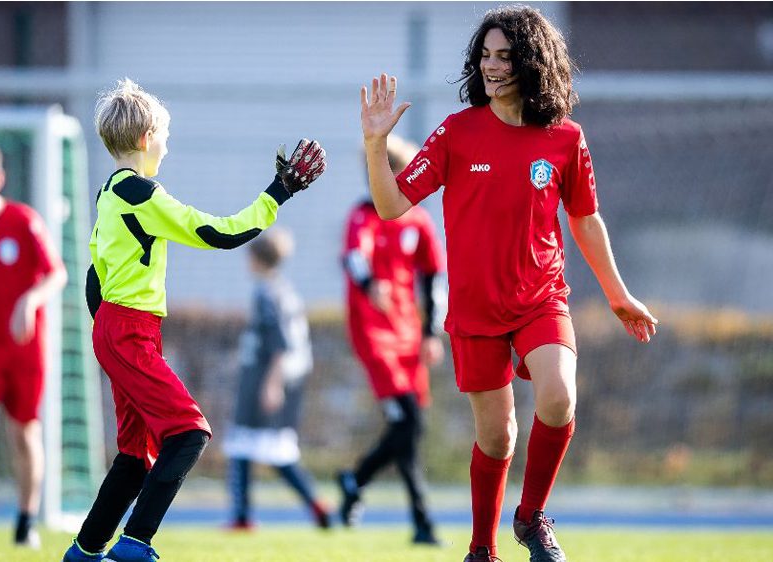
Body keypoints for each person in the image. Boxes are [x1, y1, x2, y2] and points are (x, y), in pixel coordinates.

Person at [360, 7, 658, 562]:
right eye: (486, 56)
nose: (492, 67)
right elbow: (391, 205)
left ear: (533, 61)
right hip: (475, 312)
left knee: (560, 396)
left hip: (542, 300)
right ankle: (481, 549)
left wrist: (619, 295)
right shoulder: (457, 131)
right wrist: (377, 144)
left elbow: (585, 219)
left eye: (506, 56)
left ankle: (532, 517)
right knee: (497, 437)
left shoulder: (565, 139)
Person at [62, 78, 326, 562]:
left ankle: (85, 551)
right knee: (189, 432)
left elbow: (93, 282)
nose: (166, 143)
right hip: (129, 331)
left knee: (135, 455)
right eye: (163, 135)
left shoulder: (108, 194)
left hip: (117, 328)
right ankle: (136, 542)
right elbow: (219, 233)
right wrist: (278, 192)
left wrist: (111, 336)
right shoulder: (143, 193)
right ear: (146, 140)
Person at [336, 135, 446, 546]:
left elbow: (434, 277)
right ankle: (421, 520)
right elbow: (354, 256)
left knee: (409, 426)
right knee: (409, 422)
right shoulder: (363, 216)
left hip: (408, 334)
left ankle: (357, 481)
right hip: (373, 332)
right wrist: (369, 285)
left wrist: (432, 331)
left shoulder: (417, 220)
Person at [0, 138, 68, 551]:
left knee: (24, 436)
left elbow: (56, 273)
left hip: (23, 351)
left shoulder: (23, 221)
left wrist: (29, 300)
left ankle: (26, 521)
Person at [222, 228, 331, 531]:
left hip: (264, 377)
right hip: (280, 377)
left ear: (257, 259)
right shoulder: (284, 289)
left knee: (243, 445)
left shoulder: (266, 292)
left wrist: (272, 383)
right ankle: (315, 503)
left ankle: (242, 517)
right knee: (272, 449)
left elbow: (279, 342)